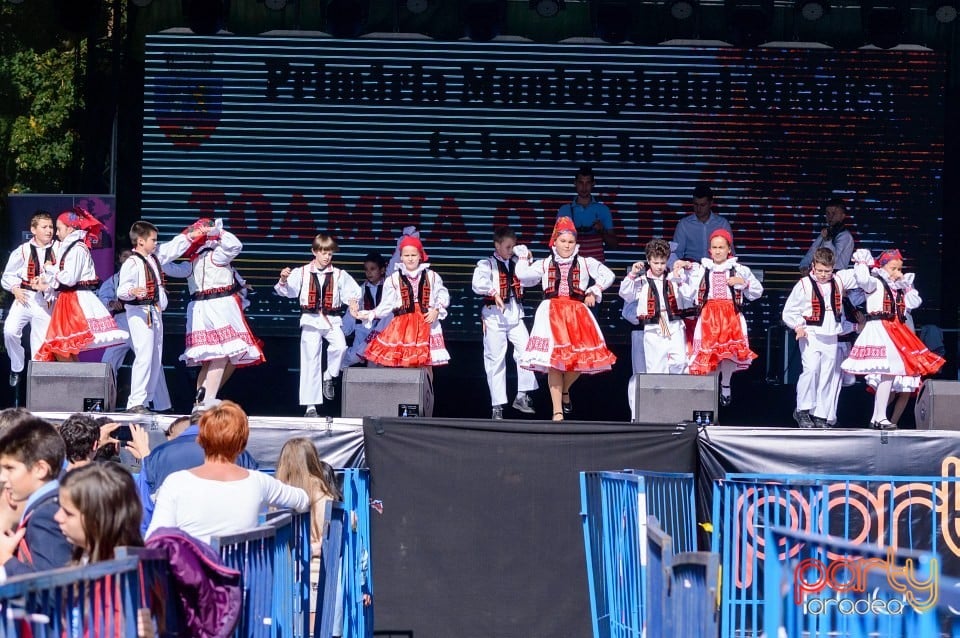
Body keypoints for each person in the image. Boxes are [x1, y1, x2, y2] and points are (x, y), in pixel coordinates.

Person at [145, 401, 309, 544]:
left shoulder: (176, 483)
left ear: (200, 439)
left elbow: (154, 539)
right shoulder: (259, 482)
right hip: (243, 578)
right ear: (242, 444)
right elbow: (303, 500)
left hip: (190, 576)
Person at [514, 217, 617, 421]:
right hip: (551, 313)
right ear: (555, 242)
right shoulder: (545, 264)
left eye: (570, 242)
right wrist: (524, 257)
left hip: (576, 314)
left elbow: (609, 275)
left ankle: (565, 390)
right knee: (554, 363)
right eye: (563, 241)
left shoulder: (586, 263)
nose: (567, 245)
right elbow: (523, 276)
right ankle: (557, 411)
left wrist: (594, 290)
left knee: (578, 362)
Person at [163, 219, 266, 409]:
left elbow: (234, 246)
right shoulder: (207, 258)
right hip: (214, 308)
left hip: (205, 308)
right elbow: (163, 263)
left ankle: (200, 400)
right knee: (220, 355)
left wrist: (212, 233)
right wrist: (190, 237)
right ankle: (207, 399)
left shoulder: (204, 259)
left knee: (212, 356)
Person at [840, 249, 945, 429]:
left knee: (889, 372)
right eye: (893, 268)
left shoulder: (898, 288)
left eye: (899, 269)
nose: (897, 272)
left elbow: (913, 303)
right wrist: (863, 263)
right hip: (880, 329)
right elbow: (863, 279)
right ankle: (879, 417)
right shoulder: (875, 282)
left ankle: (877, 417)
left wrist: (907, 286)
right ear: (882, 267)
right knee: (888, 370)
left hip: (894, 329)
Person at [127, 408, 258, 535]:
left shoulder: (156, 457)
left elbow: (143, 516)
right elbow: (258, 505)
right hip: (228, 548)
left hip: (174, 549)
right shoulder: (239, 454)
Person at [275, 234, 361, 418]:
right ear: (314, 252)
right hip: (310, 319)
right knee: (310, 360)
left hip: (331, 320)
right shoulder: (303, 272)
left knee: (340, 346)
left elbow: (352, 293)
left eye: (330, 254)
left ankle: (329, 375)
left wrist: (353, 303)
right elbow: (288, 292)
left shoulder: (339, 274)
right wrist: (283, 279)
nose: (326, 257)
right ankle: (310, 407)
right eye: (323, 253)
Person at [674, 228, 763, 406]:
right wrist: (681, 275)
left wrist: (743, 284)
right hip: (709, 316)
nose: (717, 251)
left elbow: (757, 292)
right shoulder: (702, 269)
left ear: (729, 249)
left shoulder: (739, 269)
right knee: (711, 356)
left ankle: (726, 385)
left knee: (729, 353)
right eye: (714, 247)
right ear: (710, 249)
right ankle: (712, 391)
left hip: (731, 316)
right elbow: (689, 293)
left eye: (721, 247)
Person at [118, 221, 197, 414]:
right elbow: (121, 290)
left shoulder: (153, 258)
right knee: (144, 355)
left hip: (154, 311)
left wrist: (191, 234)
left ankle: (146, 400)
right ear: (141, 241)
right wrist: (132, 290)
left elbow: (172, 248)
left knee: (154, 357)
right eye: (153, 240)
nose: (156, 243)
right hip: (139, 312)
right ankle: (135, 401)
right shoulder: (132, 262)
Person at [359, 234, 451, 398]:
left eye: (413, 255)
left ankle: (425, 400)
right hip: (402, 325)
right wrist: (371, 314)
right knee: (400, 363)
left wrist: (436, 309)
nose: (410, 259)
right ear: (401, 257)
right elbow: (386, 305)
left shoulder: (432, 276)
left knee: (425, 364)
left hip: (425, 323)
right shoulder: (394, 279)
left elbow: (443, 295)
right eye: (406, 255)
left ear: (420, 256)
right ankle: (400, 399)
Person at [34, 207, 128, 362]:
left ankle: (75, 384)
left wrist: (50, 268)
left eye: (59, 229)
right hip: (67, 300)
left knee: (62, 347)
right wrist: (47, 277)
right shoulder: (71, 248)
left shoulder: (77, 248)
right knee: (65, 347)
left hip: (74, 301)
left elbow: (69, 278)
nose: (56, 233)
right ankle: (77, 383)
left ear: (70, 228)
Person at [781, 247, 859, 429]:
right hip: (810, 333)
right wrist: (797, 326)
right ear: (813, 266)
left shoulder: (838, 280)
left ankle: (821, 415)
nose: (824, 275)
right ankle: (802, 410)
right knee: (811, 370)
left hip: (831, 334)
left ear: (833, 268)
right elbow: (789, 311)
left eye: (828, 271)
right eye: (820, 270)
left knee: (827, 375)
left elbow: (861, 276)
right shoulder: (803, 284)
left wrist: (862, 260)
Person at [275, 437, 342, 632]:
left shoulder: (277, 495)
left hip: (289, 579)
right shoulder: (325, 497)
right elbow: (332, 543)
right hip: (314, 579)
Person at [471, 226, 538, 420]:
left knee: (527, 351)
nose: (511, 250)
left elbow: (531, 280)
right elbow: (478, 283)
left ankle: (522, 394)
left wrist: (526, 260)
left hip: (515, 314)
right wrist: (494, 293)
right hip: (494, 315)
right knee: (495, 359)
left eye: (513, 247)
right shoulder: (487, 263)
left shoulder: (517, 263)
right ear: (497, 245)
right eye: (508, 247)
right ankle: (497, 405)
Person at [0, 417, 73, 578]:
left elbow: (53, 590)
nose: (4, 477)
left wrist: (6, 558)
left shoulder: (46, 515)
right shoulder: (55, 502)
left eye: (10, 468)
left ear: (40, 469)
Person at [2, 211, 55, 388]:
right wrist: (14, 288)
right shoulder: (23, 250)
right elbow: (8, 275)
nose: (49, 231)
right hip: (24, 295)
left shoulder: (58, 249)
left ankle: (38, 382)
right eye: (44, 227)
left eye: (51, 227)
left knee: (40, 342)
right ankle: (17, 366)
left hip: (45, 299)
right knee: (10, 331)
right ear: (33, 230)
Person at [55, 462, 144, 564]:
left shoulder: (123, 575)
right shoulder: (81, 559)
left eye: (68, 513)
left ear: (99, 520)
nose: (57, 517)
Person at [557, 165, 618, 262]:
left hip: (596, 269)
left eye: (588, 183)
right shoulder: (565, 210)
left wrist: (602, 231)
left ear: (593, 184)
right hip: (570, 267)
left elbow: (614, 245)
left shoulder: (603, 210)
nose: (584, 187)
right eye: (581, 183)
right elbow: (555, 244)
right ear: (575, 183)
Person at [341, 252, 391, 368]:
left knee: (380, 362)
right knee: (355, 356)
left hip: (384, 330)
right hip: (364, 330)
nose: (369, 272)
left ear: (382, 270)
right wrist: (342, 331)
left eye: (373, 269)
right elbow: (352, 311)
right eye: (366, 269)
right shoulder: (360, 291)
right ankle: (334, 370)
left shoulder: (389, 287)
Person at [97, 249, 135, 379]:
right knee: (108, 363)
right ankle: (106, 398)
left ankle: (162, 400)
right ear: (119, 258)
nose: (128, 259)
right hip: (121, 321)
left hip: (139, 320)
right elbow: (102, 298)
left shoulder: (141, 277)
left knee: (149, 363)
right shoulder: (113, 280)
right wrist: (111, 303)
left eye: (131, 256)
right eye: (125, 256)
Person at [671, 184, 732, 264]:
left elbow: (730, 253)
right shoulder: (684, 224)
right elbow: (676, 253)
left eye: (702, 205)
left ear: (711, 203)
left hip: (716, 268)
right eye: (696, 204)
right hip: (691, 269)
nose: (698, 209)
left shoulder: (722, 224)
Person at [799, 197, 855, 272]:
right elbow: (813, 250)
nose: (830, 217)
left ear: (842, 216)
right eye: (828, 213)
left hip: (836, 276)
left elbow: (833, 259)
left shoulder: (845, 236)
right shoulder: (826, 232)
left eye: (834, 213)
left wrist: (827, 240)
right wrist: (804, 265)